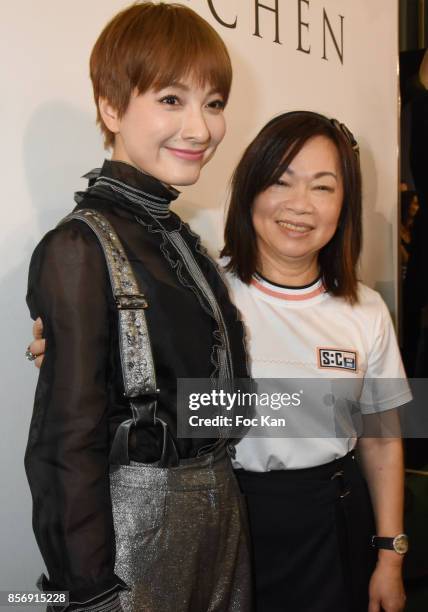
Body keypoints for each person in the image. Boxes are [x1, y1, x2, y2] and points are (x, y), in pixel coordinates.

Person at [24, 3, 252, 611]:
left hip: (221, 513)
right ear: (110, 105)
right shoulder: (78, 247)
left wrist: (348, 406)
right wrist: (91, 592)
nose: (201, 128)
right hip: (136, 537)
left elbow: (225, 407)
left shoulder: (181, 240)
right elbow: (63, 446)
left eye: (214, 102)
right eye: (172, 100)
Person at [220, 111, 411, 612]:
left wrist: (391, 557)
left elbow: (385, 440)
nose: (300, 205)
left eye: (323, 188)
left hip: (333, 521)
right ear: (250, 191)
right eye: (281, 181)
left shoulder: (366, 309)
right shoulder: (203, 293)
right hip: (226, 521)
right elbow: (172, 408)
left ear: (344, 205)